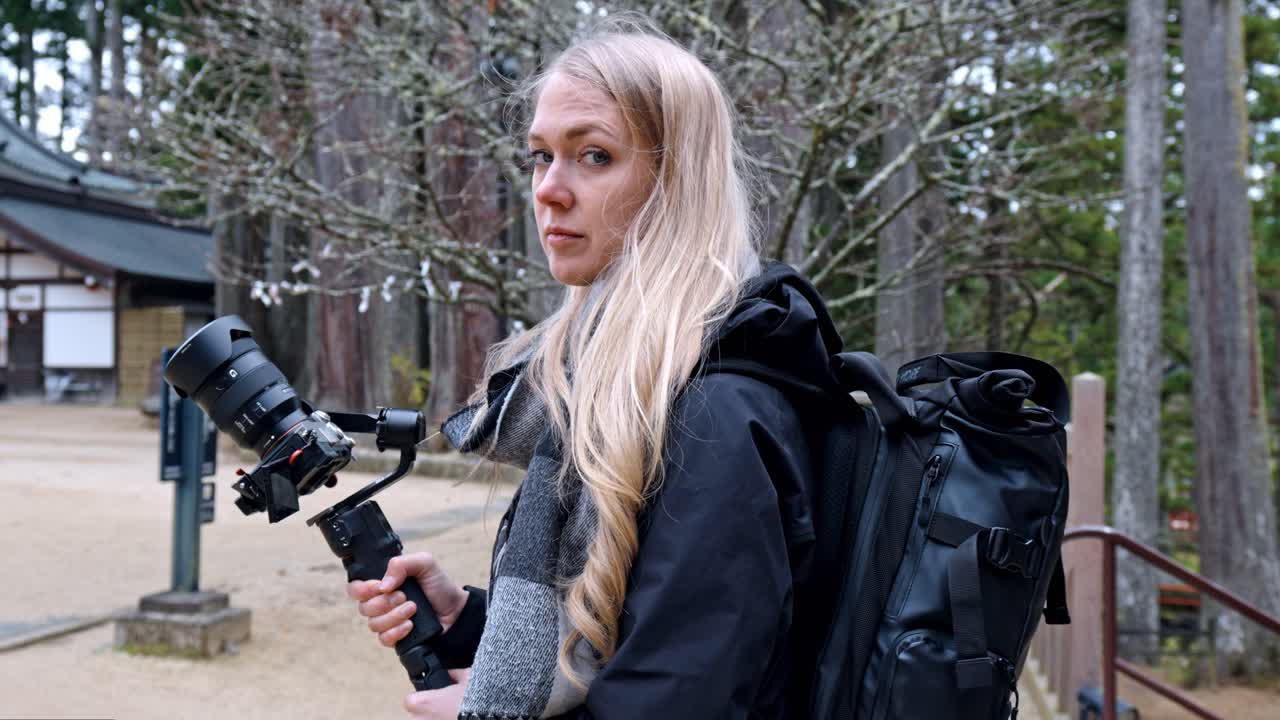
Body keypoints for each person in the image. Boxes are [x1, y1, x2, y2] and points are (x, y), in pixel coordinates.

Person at [347, 21, 845, 720]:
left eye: (594, 155)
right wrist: (468, 621)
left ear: (676, 181)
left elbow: (679, 702)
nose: (549, 190)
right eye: (540, 156)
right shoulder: (606, 389)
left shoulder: (713, 415)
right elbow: (635, 636)